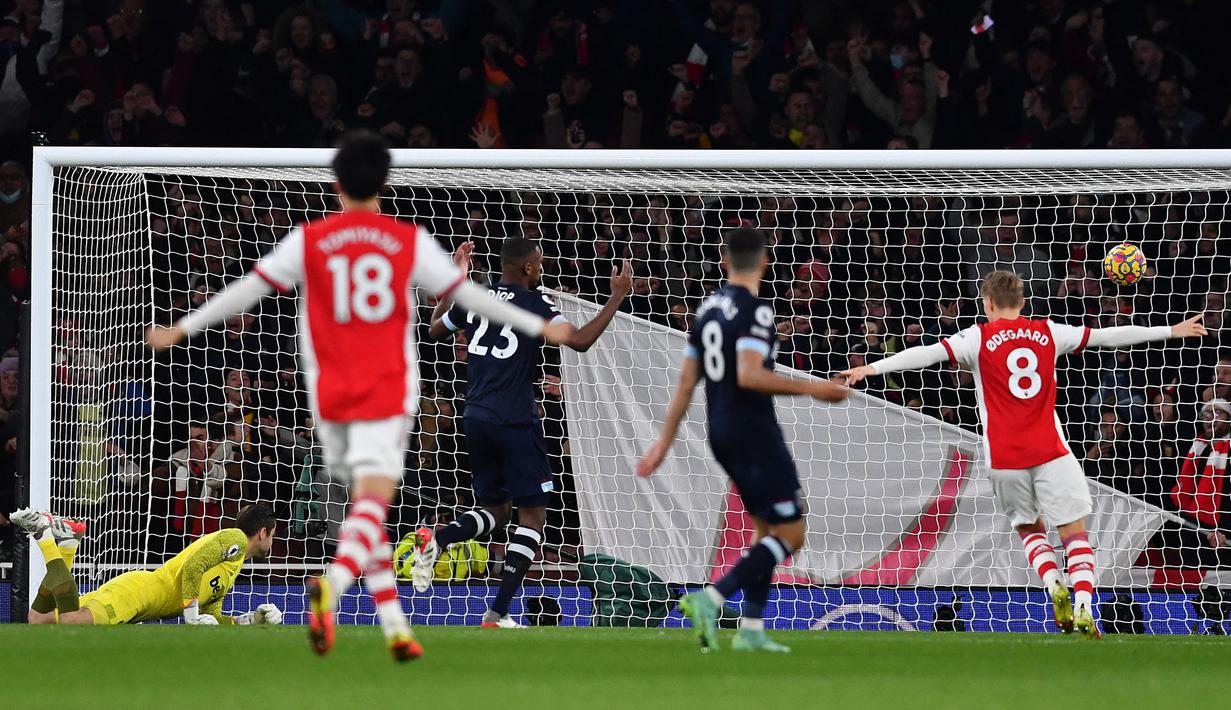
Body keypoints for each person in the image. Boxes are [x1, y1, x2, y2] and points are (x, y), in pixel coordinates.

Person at [146, 130, 572, 661]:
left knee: (365, 509)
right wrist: (541, 324)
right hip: (387, 388)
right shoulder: (406, 240)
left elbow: (248, 288)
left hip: (331, 392)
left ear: (336, 184)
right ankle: (343, 590)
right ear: (384, 184)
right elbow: (457, 313)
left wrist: (180, 328)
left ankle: (392, 623)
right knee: (371, 507)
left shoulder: (311, 239)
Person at [840, 270, 1207, 639]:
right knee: (1073, 533)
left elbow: (926, 354)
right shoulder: (1049, 331)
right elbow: (1106, 338)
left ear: (987, 303)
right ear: (1023, 302)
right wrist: (1171, 330)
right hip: (1051, 450)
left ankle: (1053, 587)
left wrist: (871, 368)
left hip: (1004, 456)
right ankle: (1082, 603)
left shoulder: (976, 336)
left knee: (1029, 528)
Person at [637, 227, 850, 653]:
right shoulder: (758, 310)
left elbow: (685, 382)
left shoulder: (707, 309)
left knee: (764, 529)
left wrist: (663, 442)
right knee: (791, 534)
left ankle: (751, 628)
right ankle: (711, 598)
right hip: (754, 432)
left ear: (723, 262)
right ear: (766, 261)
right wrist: (815, 389)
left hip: (721, 430)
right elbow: (750, 375)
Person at [414, 238, 632, 628]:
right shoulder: (536, 306)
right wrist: (616, 297)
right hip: (514, 419)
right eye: (540, 262)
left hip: (475, 416)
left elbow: (432, 330)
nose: (543, 266)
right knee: (532, 517)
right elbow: (579, 341)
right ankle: (496, 613)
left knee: (496, 512)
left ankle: (440, 540)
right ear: (529, 269)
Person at [12, 503, 281, 626]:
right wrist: (191, 616)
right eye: (274, 534)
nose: (273, 541)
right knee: (70, 622)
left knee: (39, 620)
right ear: (263, 532)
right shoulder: (233, 538)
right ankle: (46, 538)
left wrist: (249, 619)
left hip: (141, 595)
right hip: (140, 594)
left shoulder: (232, 565)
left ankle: (69, 544)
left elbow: (213, 615)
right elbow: (193, 566)